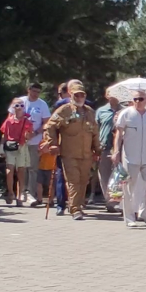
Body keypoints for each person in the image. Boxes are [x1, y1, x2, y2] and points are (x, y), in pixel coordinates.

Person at [44, 82, 101, 219]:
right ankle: (75, 209)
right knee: (73, 180)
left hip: (86, 153)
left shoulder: (90, 112)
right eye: (77, 95)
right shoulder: (64, 110)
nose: (80, 97)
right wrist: (52, 144)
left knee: (83, 181)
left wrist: (97, 149)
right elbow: (50, 127)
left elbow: (95, 132)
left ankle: (78, 205)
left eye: (82, 95)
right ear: (71, 95)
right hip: (69, 153)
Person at [114, 91, 146, 227]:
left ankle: (144, 213)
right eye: (135, 99)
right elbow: (119, 135)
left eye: (141, 99)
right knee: (128, 188)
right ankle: (129, 218)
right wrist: (116, 151)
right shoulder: (125, 113)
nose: (138, 101)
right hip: (130, 157)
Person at [96, 94, 119, 211]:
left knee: (117, 175)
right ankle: (109, 201)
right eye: (111, 95)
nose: (114, 97)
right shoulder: (101, 111)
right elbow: (96, 128)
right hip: (104, 146)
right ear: (107, 96)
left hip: (118, 147)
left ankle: (116, 201)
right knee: (104, 175)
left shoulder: (123, 110)